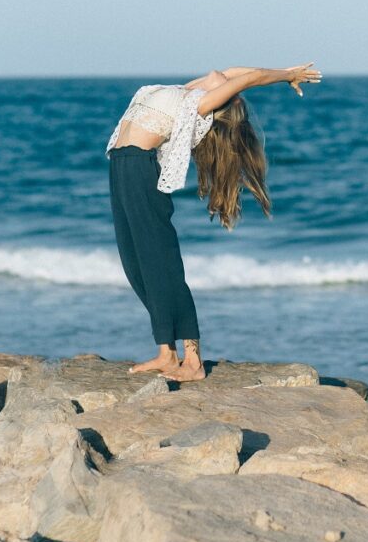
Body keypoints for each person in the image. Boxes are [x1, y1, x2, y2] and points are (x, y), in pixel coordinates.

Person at [106, 63, 322, 381]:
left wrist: (286, 75)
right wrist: (233, 77)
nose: (223, 75)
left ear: (222, 99)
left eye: (227, 87)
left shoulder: (200, 104)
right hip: (121, 167)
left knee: (160, 263)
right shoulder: (186, 90)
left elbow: (249, 79)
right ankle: (167, 354)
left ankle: (193, 361)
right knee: (135, 265)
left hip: (140, 169)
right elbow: (234, 72)